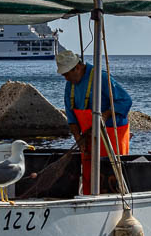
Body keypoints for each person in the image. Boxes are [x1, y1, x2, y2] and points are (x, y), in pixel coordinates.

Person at [56, 49, 132, 194]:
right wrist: (78, 139)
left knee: (112, 174)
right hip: (89, 137)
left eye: (66, 74)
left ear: (77, 68)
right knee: (90, 174)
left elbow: (125, 100)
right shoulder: (70, 85)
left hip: (112, 134)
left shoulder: (101, 78)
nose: (65, 78)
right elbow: (71, 116)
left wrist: (106, 114)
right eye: (63, 75)